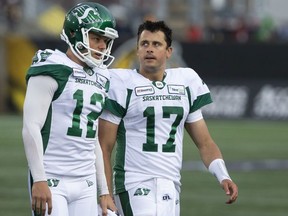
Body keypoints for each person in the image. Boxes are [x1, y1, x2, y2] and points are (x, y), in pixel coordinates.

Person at [98, 20, 238, 216]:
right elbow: (103, 146)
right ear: (137, 50)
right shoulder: (121, 83)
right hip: (133, 184)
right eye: (144, 44)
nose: (149, 49)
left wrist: (223, 175)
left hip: (171, 185)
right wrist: (105, 192)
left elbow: (205, 143)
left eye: (156, 44)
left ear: (169, 51)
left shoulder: (185, 81)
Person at [22, 2, 119, 216]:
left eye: (106, 40)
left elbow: (92, 136)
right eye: (96, 38)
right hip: (52, 176)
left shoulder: (102, 76)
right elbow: (31, 127)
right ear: (75, 34)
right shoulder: (53, 67)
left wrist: (103, 190)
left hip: (85, 180)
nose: (102, 46)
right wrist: (39, 179)